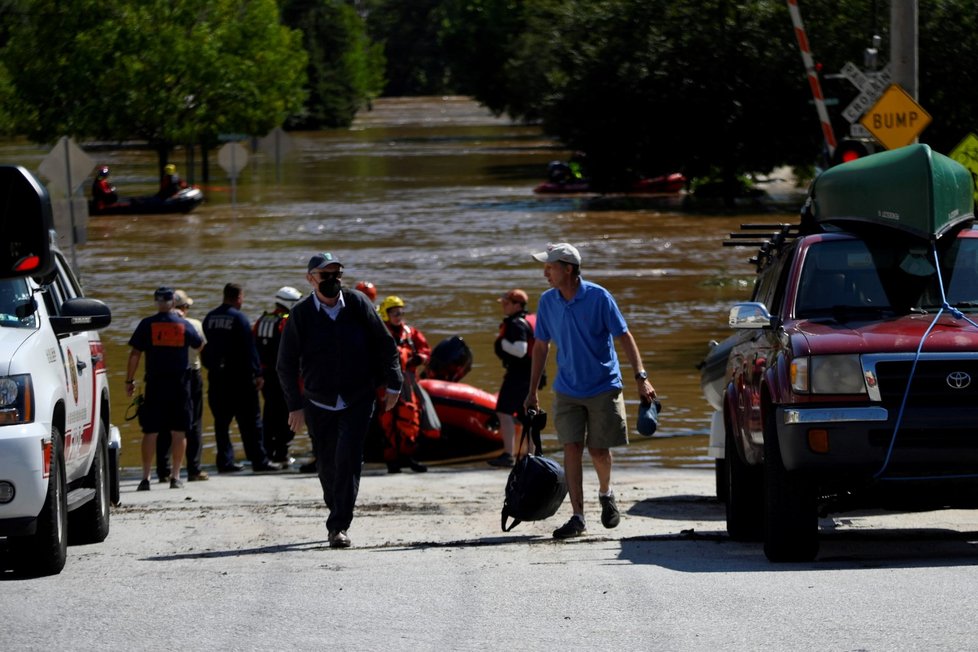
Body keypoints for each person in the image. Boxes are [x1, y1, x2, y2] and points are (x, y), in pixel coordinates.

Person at [524, 243, 656, 540]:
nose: (545, 271)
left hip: (603, 386)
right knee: (571, 448)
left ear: (568, 269)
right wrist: (532, 390)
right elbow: (541, 346)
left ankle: (606, 493)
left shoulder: (599, 297)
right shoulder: (547, 302)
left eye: (551, 266)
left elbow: (624, 336)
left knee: (598, 450)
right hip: (567, 389)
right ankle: (578, 517)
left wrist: (641, 377)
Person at [277, 252, 402, 549]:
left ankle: (338, 526)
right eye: (326, 275)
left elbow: (386, 344)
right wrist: (294, 405)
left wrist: (394, 382)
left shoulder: (358, 303)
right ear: (311, 279)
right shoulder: (301, 314)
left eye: (337, 274)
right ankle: (337, 506)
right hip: (318, 401)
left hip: (358, 397)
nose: (333, 280)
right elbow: (285, 363)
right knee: (327, 465)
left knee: (348, 460)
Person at [125, 287, 203, 491]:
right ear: (173, 303)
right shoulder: (183, 324)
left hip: (155, 385)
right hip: (180, 385)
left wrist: (129, 381)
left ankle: (145, 478)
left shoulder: (147, 324)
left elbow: (135, 354)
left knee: (150, 431)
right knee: (179, 431)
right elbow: (199, 345)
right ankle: (176, 477)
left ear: (156, 302)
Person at [201, 283, 281, 473]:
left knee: (221, 423)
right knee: (251, 423)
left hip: (217, 379)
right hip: (240, 380)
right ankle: (259, 461)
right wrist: (258, 373)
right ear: (238, 297)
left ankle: (225, 462)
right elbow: (249, 349)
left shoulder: (210, 317)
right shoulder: (239, 318)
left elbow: (205, 348)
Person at [156, 290, 209, 482]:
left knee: (163, 424)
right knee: (193, 423)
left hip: (163, 376)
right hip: (191, 375)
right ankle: (194, 469)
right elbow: (201, 347)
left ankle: (163, 470)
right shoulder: (193, 324)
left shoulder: (158, 324)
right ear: (183, 308)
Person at [377, 295, 432, 474]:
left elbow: (425, 350)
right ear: (386, 314)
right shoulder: (379, 332)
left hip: (407, 382)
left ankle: (408, 457)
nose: (398, 315)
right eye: (394, 312)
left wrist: (420, 358)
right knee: (388, 422)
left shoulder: (410, 332)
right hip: (385, 384)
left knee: (410, 418)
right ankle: (392, 461)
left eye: (400, 312)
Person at [489, 288, 539, 468]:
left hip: (519, 375)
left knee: (504, 412)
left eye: (506, 303)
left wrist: (501, 342)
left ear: (517, 305)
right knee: (527, 416)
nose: (503, 306)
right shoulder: (530, 319)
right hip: (532, 374)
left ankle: (508, 455)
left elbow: (520, 350)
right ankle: (532, 455)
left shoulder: (516, 324)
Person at [254, 286, 303, 467]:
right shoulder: (287, 322)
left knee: (269, 413)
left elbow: (255, 347)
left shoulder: (262, 320)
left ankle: (267, 451)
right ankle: (282, 453)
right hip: (286, 376)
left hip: (267, 376)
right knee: (288, 414)